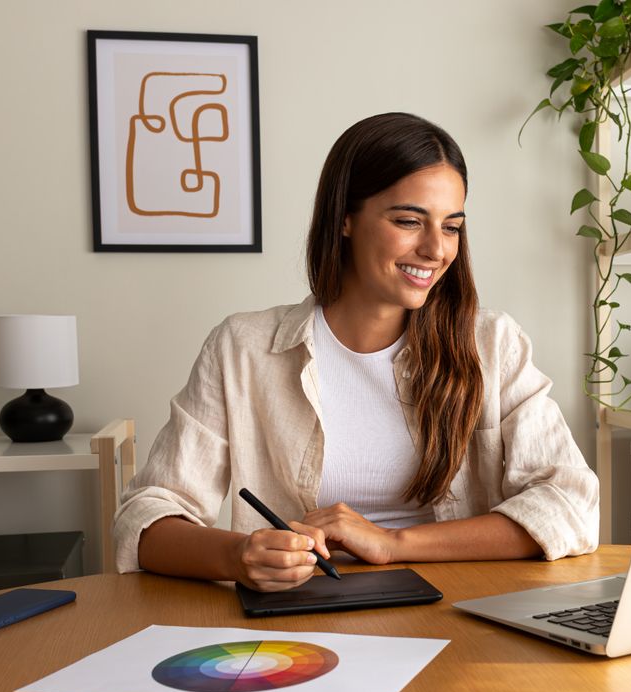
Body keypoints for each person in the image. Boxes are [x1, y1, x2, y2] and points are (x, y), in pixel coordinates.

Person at [113, 112, 599, 591]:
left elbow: (569, 505)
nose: (436, 250)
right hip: (301, 619)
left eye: (451, 226)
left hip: (458, 612)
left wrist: (392, 542)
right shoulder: (242, 348)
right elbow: (146, 517)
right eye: (410, 221)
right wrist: (238, 556)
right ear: (345, 219)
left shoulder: (492, 345)